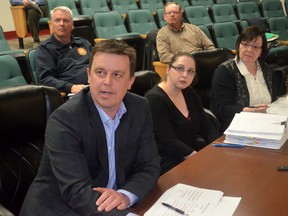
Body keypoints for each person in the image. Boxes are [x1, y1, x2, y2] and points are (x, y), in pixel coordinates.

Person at [20, 39, 160, 216]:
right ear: (88, 75)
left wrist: (125, 196)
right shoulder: (65, 119)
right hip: (61, 209)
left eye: (117, 74)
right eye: (100, 72)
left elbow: (150, 165)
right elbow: (77, 192)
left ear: (130, 81)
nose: (107, 82)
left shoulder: (140, 107)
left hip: (109, 206)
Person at [145, 52, 220, 174]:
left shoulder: (189, 92)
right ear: (168, 69)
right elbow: (168, 142)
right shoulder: (154, 99)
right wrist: (200, 158)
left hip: (192, 154)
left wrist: (216, 146)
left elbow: (205, 124)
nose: (185, 75)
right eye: (180, 69)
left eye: (190, 71)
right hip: (167, 162)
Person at [210, 26, 276, 133]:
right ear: (239, 45)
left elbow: (273, 100)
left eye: (255, 47)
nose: (249, 50)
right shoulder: (225, 71)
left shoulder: (267, 70)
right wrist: (251, 111)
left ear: (261, 51)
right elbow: (224, 109)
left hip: (265, 124)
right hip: (237, 127)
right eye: (245, 44)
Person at [36, 6, 92, 95]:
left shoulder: (83, 43)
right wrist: (70, 87)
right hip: (75, 93)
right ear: (51, 24)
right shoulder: (45, 49)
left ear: (72, 25)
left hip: (95, 86)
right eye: (57, 20)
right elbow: (45, 79)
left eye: (66, 21)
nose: (62, 24)